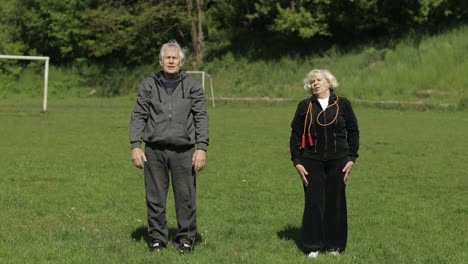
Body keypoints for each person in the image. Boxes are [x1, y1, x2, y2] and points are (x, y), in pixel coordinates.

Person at [129, 40, 209, 254]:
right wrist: (136, 145)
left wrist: (201, 147)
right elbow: (139, 115)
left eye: (175, 58)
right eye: (167, 57)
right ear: (161, 60)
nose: (171, 61)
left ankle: (185, 239)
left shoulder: (192, 85)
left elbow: (201, 116)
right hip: (154, 151)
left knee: (186, 198)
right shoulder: (148, 84)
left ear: (181, 62)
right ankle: (157, 239)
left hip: (184, 152)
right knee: (154, 197)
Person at [289, 69, 359, 258]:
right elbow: (295, 134)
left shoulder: (343, 104)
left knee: (336, 202)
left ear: (329, 83)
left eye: (319, 80)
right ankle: (313, 245)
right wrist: (297, 161)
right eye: (312, 81)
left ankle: (335, 245)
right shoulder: (304, 106)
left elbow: (353, 131)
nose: (315, 83)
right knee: (314, 203)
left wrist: (352, 158)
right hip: (311, 161)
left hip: (339, 160)